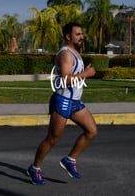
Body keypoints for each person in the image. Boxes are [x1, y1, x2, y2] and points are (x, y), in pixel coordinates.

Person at [26, 22, 98, 185]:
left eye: (81, 34)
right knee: (53, 138)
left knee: (91, 131)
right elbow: (65, 80)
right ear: (68, 36)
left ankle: (69, 160)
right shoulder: (65, 54)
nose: (82, 36)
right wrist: (85, 74)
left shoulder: (75, 53)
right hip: (63, 101)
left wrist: (82, 72)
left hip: (75, 102)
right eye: (78, 34)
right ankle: (35, 168)